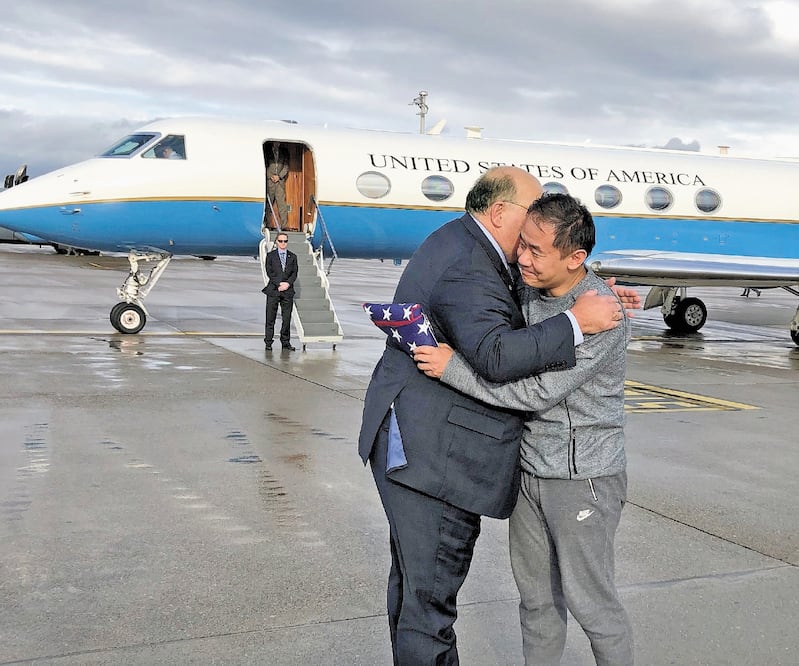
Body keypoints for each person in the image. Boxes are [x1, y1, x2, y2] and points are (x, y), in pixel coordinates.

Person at [358, 166, 640, 664]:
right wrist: (579, 309)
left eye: (538, 247)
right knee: (447, 599)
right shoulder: (477, 265)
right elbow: (500, 350)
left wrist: (591, 295)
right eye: (525, 238)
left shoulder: (477, 253)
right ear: (501, 212)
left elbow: (533, 386)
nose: (526, 255)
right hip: (447, 462)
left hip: (576, 475)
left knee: (588, 604)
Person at [263, 233, 298, 351]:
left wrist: (287, 284)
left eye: (285, 241)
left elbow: (294, 273)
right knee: (270, 318)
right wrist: (279, 284)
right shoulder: (271, 256)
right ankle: (268, 342)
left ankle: (285, 342)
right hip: (274, 289)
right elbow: (269, 271)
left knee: (286, 318)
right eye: (281, 241)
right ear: (276, 242)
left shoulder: (292, 256)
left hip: (287, 291)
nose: (283, 243)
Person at [266, 142, 289, 229]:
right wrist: (270, 176)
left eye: (279, 143)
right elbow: (265, 165)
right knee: (269, 204)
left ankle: (284, 225)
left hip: (279, 181)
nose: (277, 144)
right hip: (270, 181)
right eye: (276, 143)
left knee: (282, 204)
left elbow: (286, 166)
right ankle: (268, 224)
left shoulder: (284, 152)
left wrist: (279, 176)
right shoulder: (267, 151)